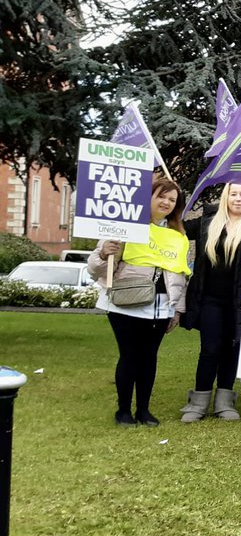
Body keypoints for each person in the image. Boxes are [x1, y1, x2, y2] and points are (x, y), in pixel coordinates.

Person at [88, 175, 191, 427]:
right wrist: (104, 253)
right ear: (148, 197)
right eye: (161, 196)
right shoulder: (124, 228)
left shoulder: (176, 235)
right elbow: (95, 269)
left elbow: (180, 274)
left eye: (172, 199)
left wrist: (177, 309)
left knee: (149, 357)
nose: (166, 202)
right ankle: (123, 410)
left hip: (161, 305)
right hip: (126, 302)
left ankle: (144, 409)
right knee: (130, 356)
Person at [178, 183, 241, 422]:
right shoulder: (208, 222)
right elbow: (177, 230)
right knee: (210, 349)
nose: (238, 199)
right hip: (208, 298)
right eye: (234, 194)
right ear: (225, 197)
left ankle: (224, 401)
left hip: (239, 300)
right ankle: (198, 402)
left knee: (232, 349)